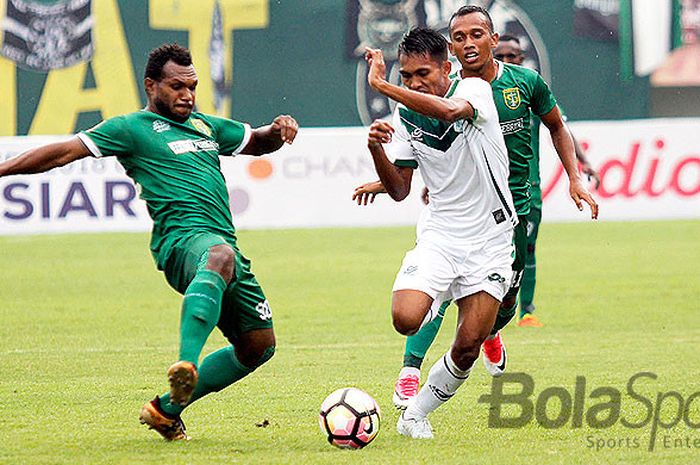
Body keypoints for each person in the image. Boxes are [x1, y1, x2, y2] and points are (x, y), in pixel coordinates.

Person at [0, 43, 299, 441]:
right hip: (181, 243)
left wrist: (278, 130)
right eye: (177, 87)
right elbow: (63, 153)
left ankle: (165, 409)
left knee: (258, 347)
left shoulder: (205, 126)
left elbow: (258, 141)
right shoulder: (129, 129)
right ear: (151, 85)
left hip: (221, 249)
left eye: (192, 87)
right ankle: (186, 367)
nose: (188, 95)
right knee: (220, 254)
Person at [354, 6, 598, 411]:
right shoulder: (423, 102)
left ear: (491, 38)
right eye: (460, 36)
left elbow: (555, 125)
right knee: (425, 302)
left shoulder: (501, 87)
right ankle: (411, 372)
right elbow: (422, 166)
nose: (469, 43)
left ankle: (485, 333)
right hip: (449, 223)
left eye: (476, 34)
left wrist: (574, 177)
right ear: (452, 47)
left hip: (511, 211)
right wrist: (387, 167)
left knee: (500, 311)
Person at [364, 21, 518, 439]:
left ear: (447, 68)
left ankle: (415, 414)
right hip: (441, 236)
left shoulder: (473, 90)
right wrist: (376, 147)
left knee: (467, 347)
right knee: (405, 319)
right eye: (406, 76)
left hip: (491, 239)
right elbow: (398, 189)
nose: (415, 83)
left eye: (423, 75)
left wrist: (383, 85)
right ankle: (437, 291)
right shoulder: (405, 114)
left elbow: (449, 113)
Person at [493, 36, 601, 327]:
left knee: (526, 248)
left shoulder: (529, 90)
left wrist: (583, 164)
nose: (506, 60)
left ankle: (525, 309)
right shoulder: (480, 92)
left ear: (522, 58)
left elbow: (559, 126)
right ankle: (487, 315)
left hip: (527, 186)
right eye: (500, 55)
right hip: (487, 188)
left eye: (512, 55)